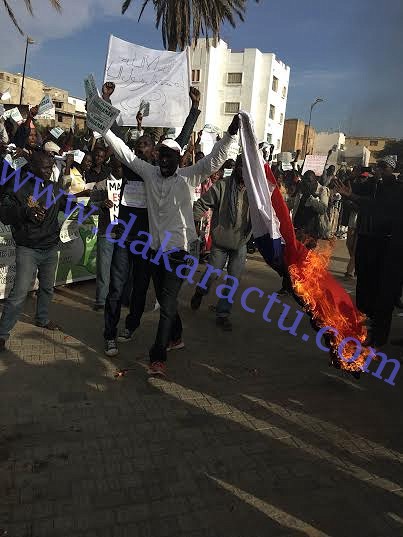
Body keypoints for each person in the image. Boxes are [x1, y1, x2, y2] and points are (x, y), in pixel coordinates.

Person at [102, 114, 240, 374]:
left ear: (178, 159)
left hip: (180, 253)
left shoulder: (189, 176)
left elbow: (214, 160)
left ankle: (158, 356)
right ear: (156, 157)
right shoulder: (149, 174)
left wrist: (230, 135)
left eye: (169, 157)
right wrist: (103, 128)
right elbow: (123, 152)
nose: (164, 161)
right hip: (156, 252)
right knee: (167, 300)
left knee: (166, 305)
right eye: (161, 156)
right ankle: (176, 337)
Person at [102, 87, 203, 357]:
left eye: (146, 145)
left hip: (149, 241)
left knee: (141, 288)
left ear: (155, 152)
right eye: (138, 145)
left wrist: (194, 110)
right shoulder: (132, 165)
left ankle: (132, 325)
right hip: (125, 235)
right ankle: (109, 334)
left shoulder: (158, 171)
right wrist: (106, 101)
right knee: (116, 286)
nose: (140, 148)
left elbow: (181, 140)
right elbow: (118, 139)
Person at [0, 152, 65, 351]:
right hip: (28, 249)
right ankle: (2, 334)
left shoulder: (53, 187)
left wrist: (97, 204)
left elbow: (67, 203)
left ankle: (42, 319)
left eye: (51, 167)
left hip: (50, 247)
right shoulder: (17, 185)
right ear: (33, 167)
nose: (49, 171)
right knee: (19, 293)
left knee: (47, 288)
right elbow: (4, 214)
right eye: (45, 167)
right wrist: (26, 212)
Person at [336, 155, 403, 347]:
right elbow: (368, 204)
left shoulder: (397, 190)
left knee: (385, 295)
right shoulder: (374, 186)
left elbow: (380, 206)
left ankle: (379, 337)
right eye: (378, 167)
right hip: (373, 243)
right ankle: (373, 326)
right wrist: (351, 197)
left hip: (392, 248)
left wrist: (354, 197)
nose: (380, 171)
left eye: (384, 167)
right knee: (369, 288)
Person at [190, 154, 251, 330]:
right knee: (212, 274)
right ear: (236, 167)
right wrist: (193, 225)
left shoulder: (255, 191)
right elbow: (201, 204)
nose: (243, 169)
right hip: (220, 241)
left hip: (241, 242)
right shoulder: (222, 186)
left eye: (247, 166)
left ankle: (223, 313)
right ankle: (200, 291)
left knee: (234, 280)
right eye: (241, 165)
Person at [90, 156, 122, 311]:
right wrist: (101, 204)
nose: (121, 170)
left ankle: (117, 299)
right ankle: (101, 301)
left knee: (120, 270)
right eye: (119, 167)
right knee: (104, 268)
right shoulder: (101, 185)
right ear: (113, 167)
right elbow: (91, 206)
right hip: (106, 232)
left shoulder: (129, 185)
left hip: (123, 233)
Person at [291, 170, 330, 248]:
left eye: (309, 181)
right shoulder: (301, 189)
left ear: (315, 180)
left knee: (310, 251)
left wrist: (310, 197)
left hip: (313, 228)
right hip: (299, 226)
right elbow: (292, 204)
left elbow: (323, 209)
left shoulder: (322, 190)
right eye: (305, 181)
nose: (307, 183)